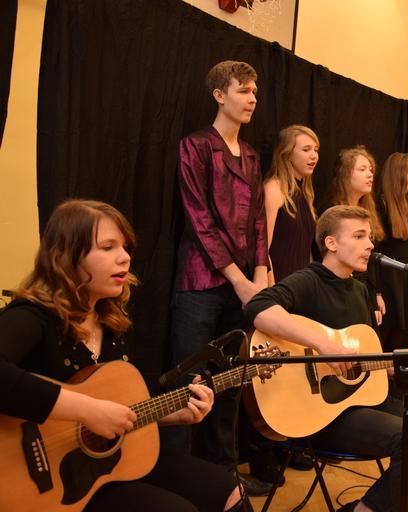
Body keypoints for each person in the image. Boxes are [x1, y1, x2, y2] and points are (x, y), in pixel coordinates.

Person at [0, 199, 248, 511]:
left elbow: (119, 415)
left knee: (230, 490)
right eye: (108, 247)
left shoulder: (111, 323)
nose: (125, 257)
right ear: (66, 257)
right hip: (51, 486)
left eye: (125, 247)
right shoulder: (32, 316)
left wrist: (176, 414)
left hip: (105, 466)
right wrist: (88, 410)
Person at [244, 205, 408, 512]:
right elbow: (258, 307)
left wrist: (395, 366)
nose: (370, 245)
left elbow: (366, 362)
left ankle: (366, 508)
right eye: (359, 236)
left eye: (369, 237)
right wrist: (323, 345)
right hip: (320, 412)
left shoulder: (360, 290)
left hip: (360, 402)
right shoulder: (309, 280)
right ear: (331, 243)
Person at [170, 60, 269, 494]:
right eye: (243, 90)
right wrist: (239, 280)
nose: (252, 98)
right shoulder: (194, 146)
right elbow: (199, 220)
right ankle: (178, 478)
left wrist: (260, 275)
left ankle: (224, 477)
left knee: (230, 384)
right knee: (188, 385)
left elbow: (259, 222)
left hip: (244, 287)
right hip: (202, 283)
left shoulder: (251, 154)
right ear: (219, 95)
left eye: (254, 92)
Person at [322, 146, 385, 324]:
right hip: (339, 289)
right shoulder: (331, 212)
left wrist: (375, 295)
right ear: (346, 174)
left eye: (371, 170)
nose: (370, 175)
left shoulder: (367, 211)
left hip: (362, 289)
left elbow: (369, 260)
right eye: (362, 169)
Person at [374, 152, 408, 352]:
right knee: (385, 335)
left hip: (404, 275)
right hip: (387, 277)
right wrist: (377, 291)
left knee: (402, 335)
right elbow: (374, 251)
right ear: (397, 174)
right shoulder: (380, 204)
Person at [264, 124, 319, 285]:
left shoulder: (305, 194)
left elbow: (305, 250)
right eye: (306, 149)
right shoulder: (274, 189)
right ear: (287, 154)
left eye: (316, 150)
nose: (314, 156)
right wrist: (272, 291)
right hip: (280, 288)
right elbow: (262, 250)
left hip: (301, 288)